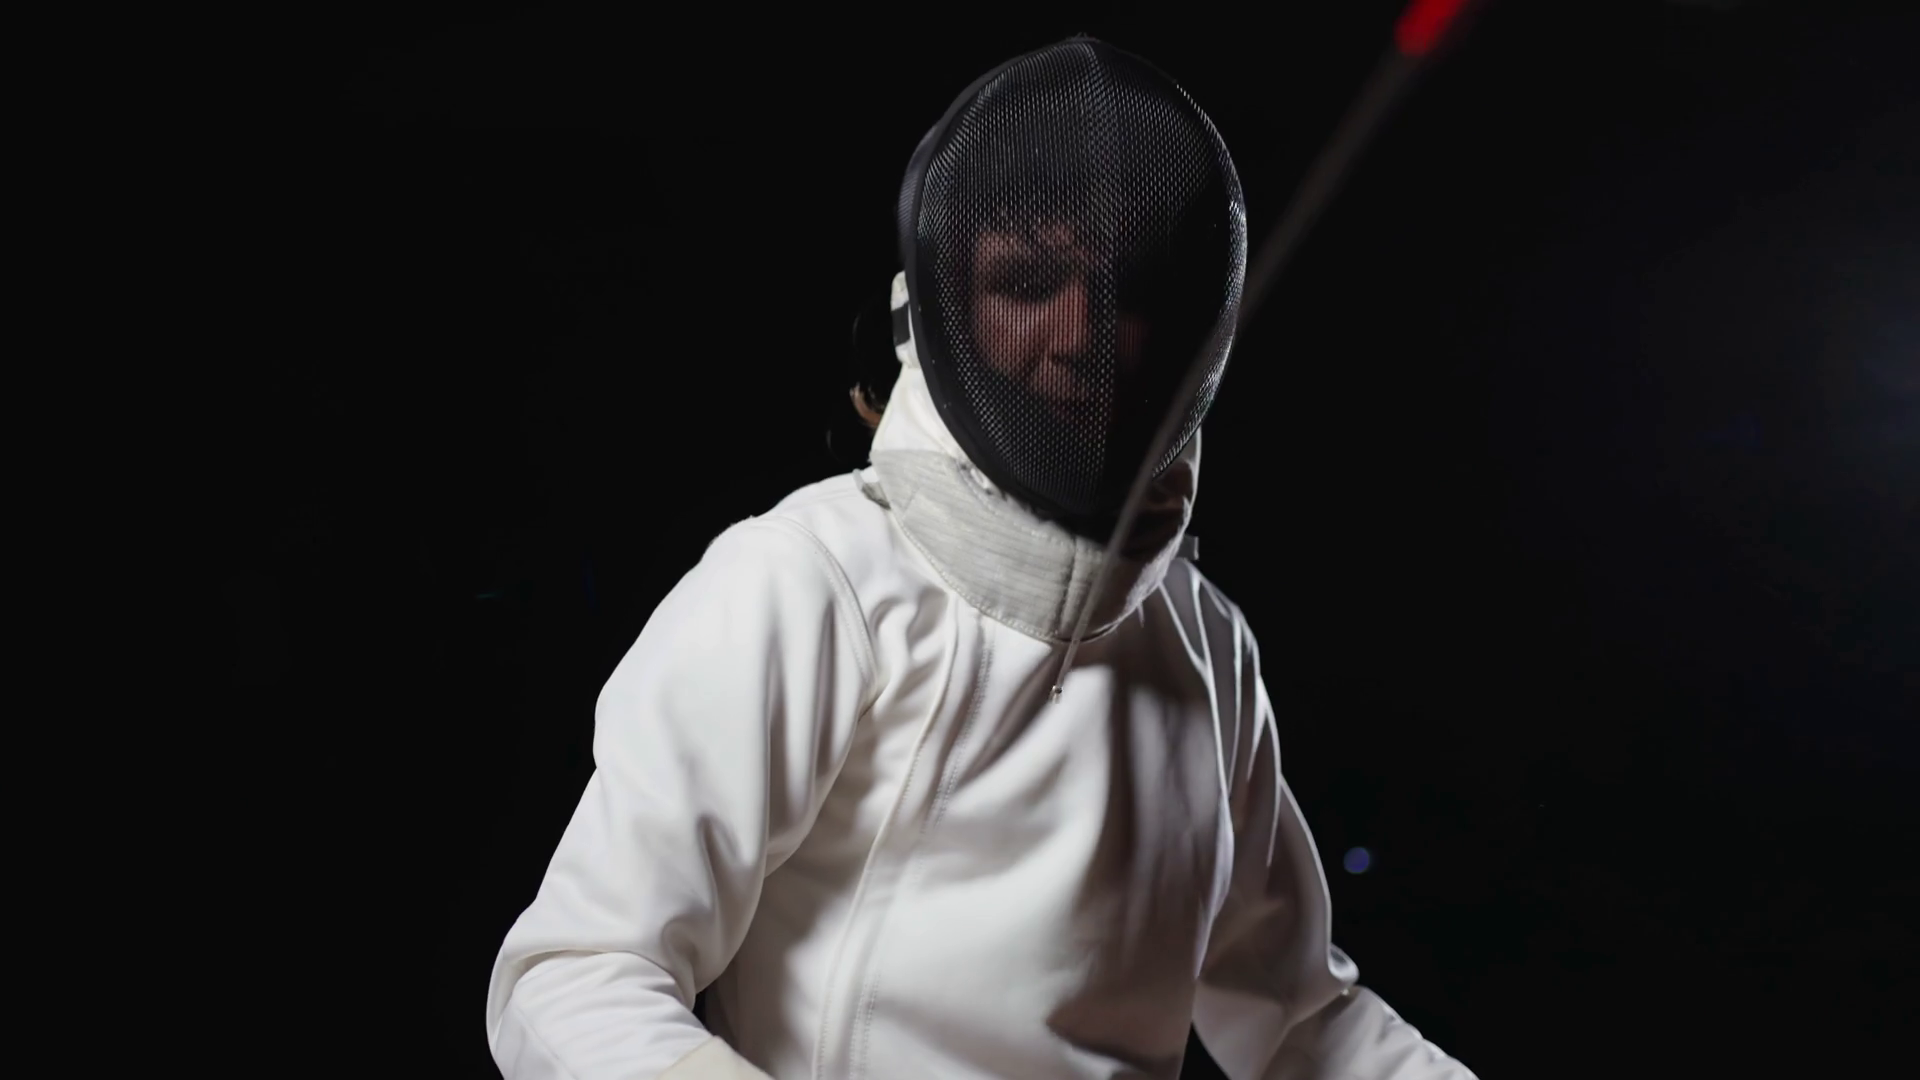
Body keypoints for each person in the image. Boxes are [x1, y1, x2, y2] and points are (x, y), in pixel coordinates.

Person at [486, 37, 1477, 1080]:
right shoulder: (805, 584)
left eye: (1124, 288)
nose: (1079, 334)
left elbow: (1304, 1024)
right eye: (1028, 283)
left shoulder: (1206, 645)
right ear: (943, 311)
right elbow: (576, 977)